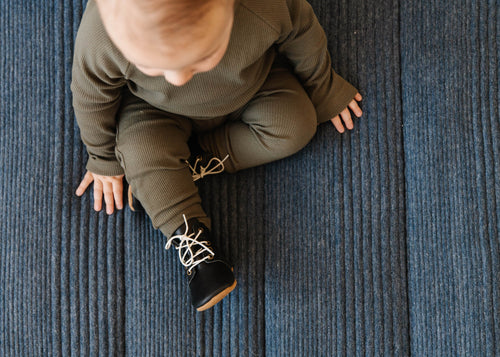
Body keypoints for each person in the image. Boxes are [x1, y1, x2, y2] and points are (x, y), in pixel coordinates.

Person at [72, 0, 363, 311]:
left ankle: (187, 165)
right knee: (138, 148)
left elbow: (303, 32)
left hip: (252, 87)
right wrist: (103, 157)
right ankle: (193, 241)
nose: (179, 78)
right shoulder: (104, 34)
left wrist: (324, 88)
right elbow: (90, 96)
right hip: (155, 110)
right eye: (154, 66)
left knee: (296, 124)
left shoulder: (265, 6)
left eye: (203, 57)